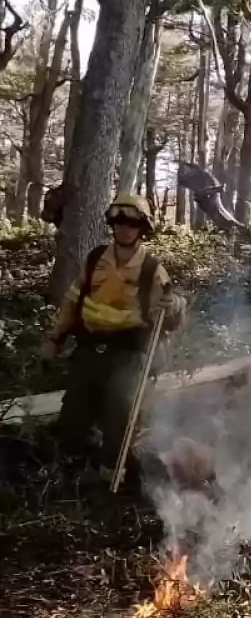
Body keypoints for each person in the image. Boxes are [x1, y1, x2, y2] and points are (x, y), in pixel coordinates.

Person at [39, 192, 187, 482]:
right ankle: (73, 465)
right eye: (118, 221)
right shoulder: (95, 260)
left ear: (142, 228)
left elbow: (170, 319)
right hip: (91, 347)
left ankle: (114, 469)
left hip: (130, 351)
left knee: (120, 404)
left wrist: (176, 308)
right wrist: (52, 340)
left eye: (131, 223)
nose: (123, 228)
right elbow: (72, 302)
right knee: (74, 412)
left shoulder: (152, 270)